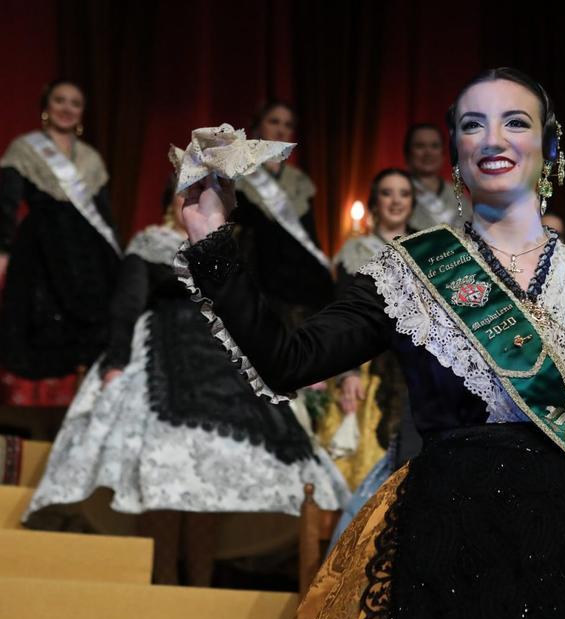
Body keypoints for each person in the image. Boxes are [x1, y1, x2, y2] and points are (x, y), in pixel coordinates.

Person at [176, 68, 565, 619]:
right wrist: (212, 242)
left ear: (550, 150)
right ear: (456, 156)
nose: (493, 139)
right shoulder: (410, 271)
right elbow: (289, 361)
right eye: (474, 125)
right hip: (452, 543)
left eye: (515, 122)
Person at [23, 184, 349, 586]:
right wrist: (116, 363)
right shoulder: (151, 243)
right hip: (162, 348)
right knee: (164, 468)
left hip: (224, 358)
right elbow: (127, 305)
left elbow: (257, 308)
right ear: (170, 204)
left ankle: (200, 583)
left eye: (203, 199)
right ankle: (161, 582)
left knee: (211, 477)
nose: (195, 205)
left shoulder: (228, 248)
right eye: (187, 197)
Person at [0, 79, 121, 406]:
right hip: (42, 247)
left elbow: (104, 214)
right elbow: (8, 202)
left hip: (89, 254)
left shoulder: (91, 158)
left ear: (82, 112)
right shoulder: (24, 148)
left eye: (75, 103)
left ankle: (85, 404)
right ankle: (44, 408)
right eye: (59, 100)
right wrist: (0, 248)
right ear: (46, 107)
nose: (67, 108)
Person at [327, 168, 422, 490]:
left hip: (421, 367)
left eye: (404, 193)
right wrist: (348, 373)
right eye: (387, 193)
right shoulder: (356, 251)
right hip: (371, 365)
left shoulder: (429, 248)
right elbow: (343, 317)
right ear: (374, 202)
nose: (396, 201)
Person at [232, 101, 334, 324]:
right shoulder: (237, 174)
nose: (281, 129)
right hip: (256, 276)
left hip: (298, 280)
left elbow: (309, 235)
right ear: (257, 126)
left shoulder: (298, 181)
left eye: (287, 125)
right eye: (274, 121)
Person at [404, 123, 462, 230]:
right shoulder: (397, 193)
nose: (428, 152)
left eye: (434, 146)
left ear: (443, 153)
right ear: (407, 152)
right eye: (420, 146)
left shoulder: (458, 197)